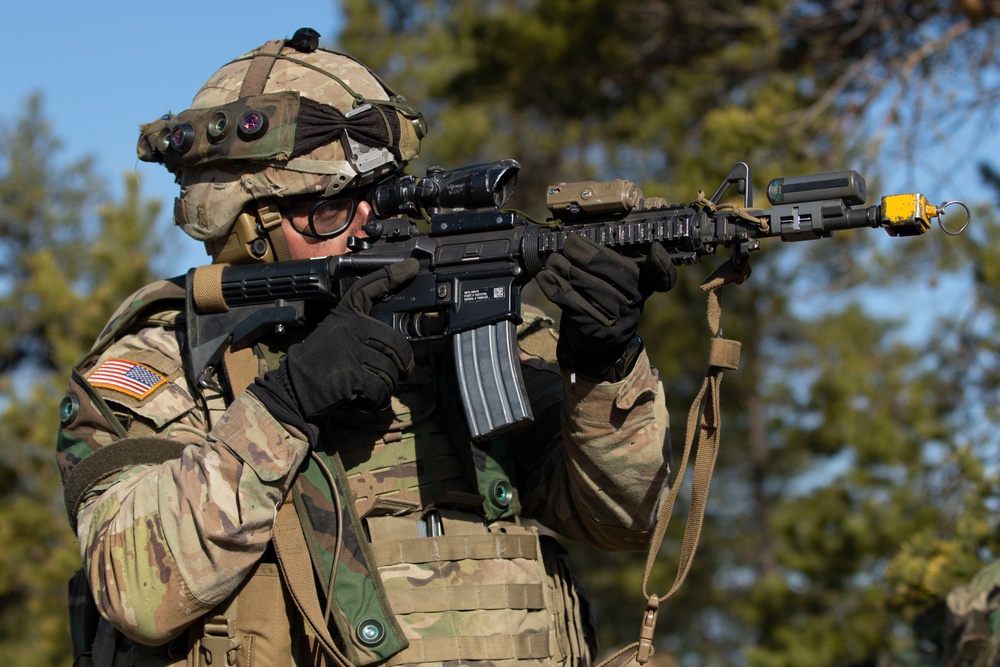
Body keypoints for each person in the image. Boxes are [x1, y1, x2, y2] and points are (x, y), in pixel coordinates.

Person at [56, 27, 676, 667]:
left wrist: (602, 366)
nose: (364, 223)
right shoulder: (165, 369)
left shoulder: (462, 334)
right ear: (250, 229)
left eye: (378, 195)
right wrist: (288, 403)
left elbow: (622, 518)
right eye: (328, 209)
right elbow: (137, 592)